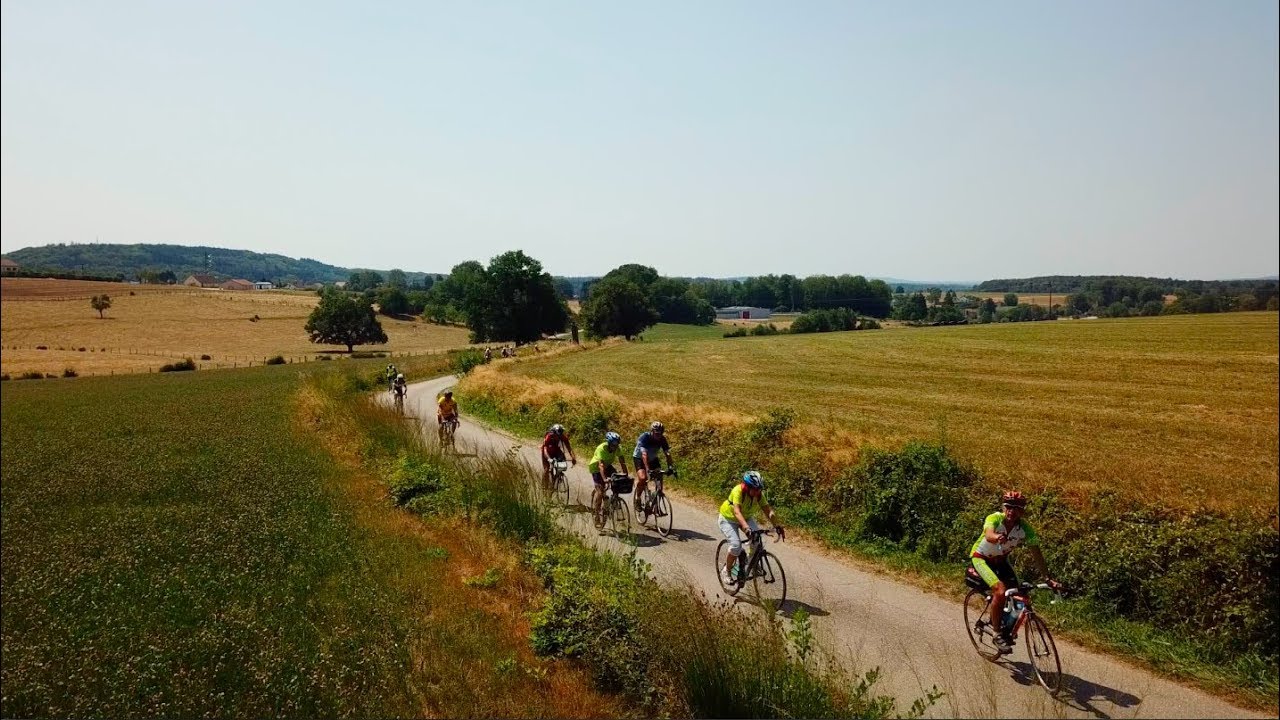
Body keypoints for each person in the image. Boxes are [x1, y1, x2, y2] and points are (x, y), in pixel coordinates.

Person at [970, 491, 1062, 653]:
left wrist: (1047, 578)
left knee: (1020, 593)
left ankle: (1004, 624)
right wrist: (998, 537)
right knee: (1000, 590)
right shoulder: (995, 518)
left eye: (1017, 508)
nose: (1012, 511)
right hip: (982, 558)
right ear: (1003, 507)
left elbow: (1036, 553)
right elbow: (989, 534)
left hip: (1002, 560)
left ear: (1022, 511)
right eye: (1008, 507)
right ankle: (997, 633)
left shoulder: (1025, 529)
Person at [718, 471, 784, 586]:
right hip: (728, 519)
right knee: (736, 545)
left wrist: (777, 525)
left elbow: (768, 510)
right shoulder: (738, 491)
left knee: (757, 541)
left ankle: (751, 561)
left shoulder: (758, 494)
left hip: (746, 517)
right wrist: (747, 528)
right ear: (747, 487)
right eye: (755, 489)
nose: (758, 491)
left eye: (759, 489)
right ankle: (726, 570)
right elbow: (737, 512)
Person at [589, 432, 630, 532]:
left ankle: (614, 500)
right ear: (608, 443)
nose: (615, 447)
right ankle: (597, 514)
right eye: (613, 445)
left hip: (608, 467)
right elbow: (601, 466)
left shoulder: (617, 448)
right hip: (596, 469)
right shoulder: (601, 448)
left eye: (616, 445)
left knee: (617, 482)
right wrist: (604, 479)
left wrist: (626, 474)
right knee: (600, 491)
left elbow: (622, 461)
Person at [632, 421, 673, 513]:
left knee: (659, 479)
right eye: (657, 433)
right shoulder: (645, 437)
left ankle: (656, 505)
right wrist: (648, 469)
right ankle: (637, 498)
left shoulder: (662, 439)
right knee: (643, 478)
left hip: (653, 459)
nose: (659, 435)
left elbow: (667, 453)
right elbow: (644, 455)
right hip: (639, 458)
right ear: (652, 431)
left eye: (660, 433)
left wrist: (671, 467)